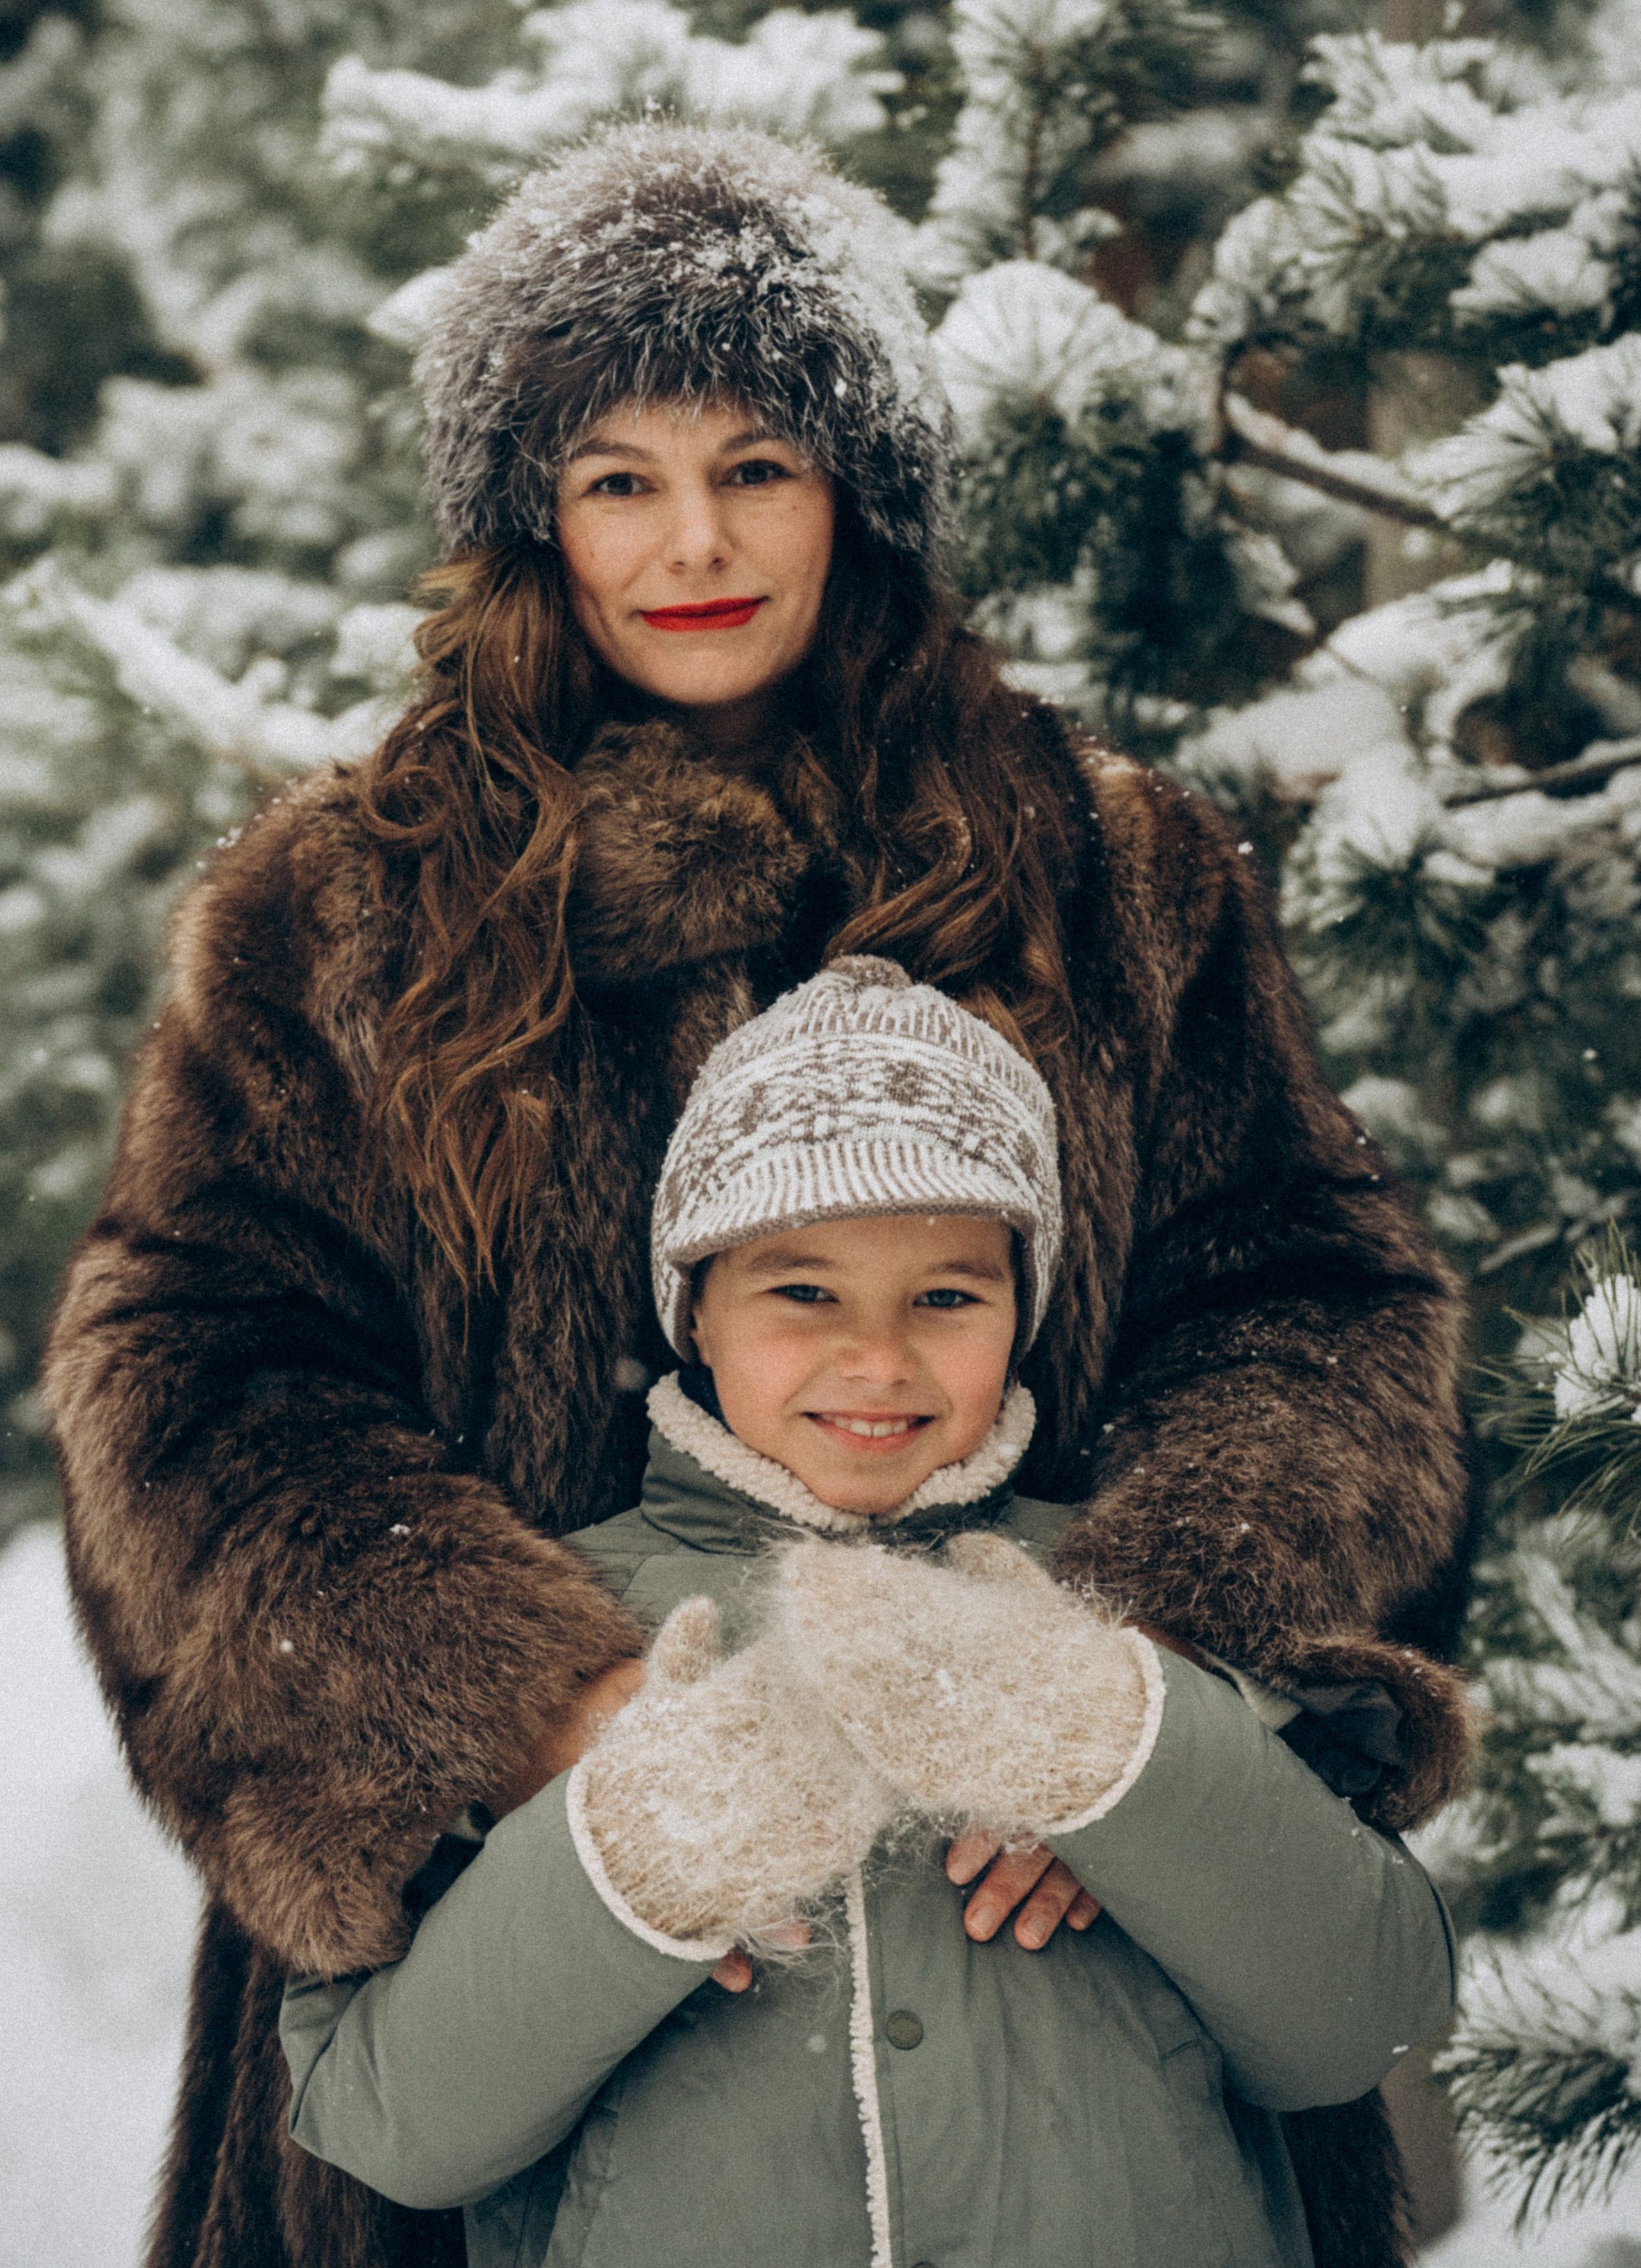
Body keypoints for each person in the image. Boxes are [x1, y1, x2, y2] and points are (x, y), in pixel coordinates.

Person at [43, 120, 1475, 2268]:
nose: (691, 541)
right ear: (534, 517)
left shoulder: (1113, 871)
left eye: (759, 467)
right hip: (514, 1934)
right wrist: (534, 1701)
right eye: (619, 478)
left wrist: (1131, 1710)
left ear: (860, 492)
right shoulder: (334, 914)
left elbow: (1318, 1316)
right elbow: (192, 1396)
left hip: (1066, 1970)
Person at [279, 958, 1457, 2268]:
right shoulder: (543, 1655)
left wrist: (1124, 1753)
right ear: (695, 1309)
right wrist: (627, 1858)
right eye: (802, 1291)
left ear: (1023, 1311)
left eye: (947, 1296)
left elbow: (1361, 2023)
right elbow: (390, 2128)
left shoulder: (1144, 1613)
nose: (878, 1358)